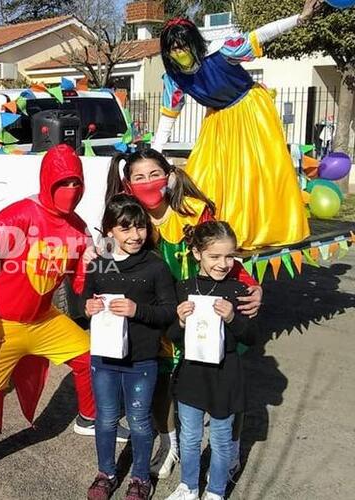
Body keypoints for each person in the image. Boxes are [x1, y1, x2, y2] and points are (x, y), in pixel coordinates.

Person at [103, 148, 261, 479]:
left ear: (169, 176)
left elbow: (221, 250)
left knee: (225, 379)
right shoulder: (133, 221)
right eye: (139, 177)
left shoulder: (194, 213)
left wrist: (250, 285)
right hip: (163, 312)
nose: (148, 183)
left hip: (207, 308)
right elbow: (107, 260)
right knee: (162, 379)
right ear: (128, 184)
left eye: (155, 175)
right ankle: (170, 442)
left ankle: (229, 449)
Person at [0, 144, 95, 496]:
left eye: (77, 182)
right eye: (64, 182)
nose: (72, 190)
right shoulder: (14, 219)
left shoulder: (77, 229)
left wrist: (93, 275)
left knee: (91, 358)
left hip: (44, 320)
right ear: (47, 180)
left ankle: (90, 417)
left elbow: (79, 278)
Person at [149, 1, 322, 249]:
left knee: (252, 173)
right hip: (217, 120)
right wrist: (155, 153)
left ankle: (253, 228)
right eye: (173, 48)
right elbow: (169, 115)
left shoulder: (222, 53)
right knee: (203, 173)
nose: (179, 52)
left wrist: (300, 19)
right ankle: (212, 231)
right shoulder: (174, 78)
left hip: (250, 110)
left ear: (194, 44)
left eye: (183, 46)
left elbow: (260, 34)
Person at [83, 194, 177, 500]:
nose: (135, 235)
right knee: (106, 418)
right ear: (110, 231)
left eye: (140, 227)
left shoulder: (155, 267)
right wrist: (88, 309)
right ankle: (105, 473)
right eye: (126, 228)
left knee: (138, 420)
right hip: (104, 358)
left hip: (142, 360)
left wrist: (138, 311)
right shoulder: (100, 264)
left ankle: (139, 478)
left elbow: (168, 311)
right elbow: (82, 303)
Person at [164, 221, 257, 500]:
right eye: (214, 256)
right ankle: (188, 486)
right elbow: (172, 336)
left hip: (225, 375)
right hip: (192, 374)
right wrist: (180, 322)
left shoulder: (239, 290)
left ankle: (216, 490)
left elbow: (251, 336)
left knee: (220, 438)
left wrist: (232, 318)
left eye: (230, 256)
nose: (223, 263)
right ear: (197, 254)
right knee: (190, 437)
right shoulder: (183, 288)